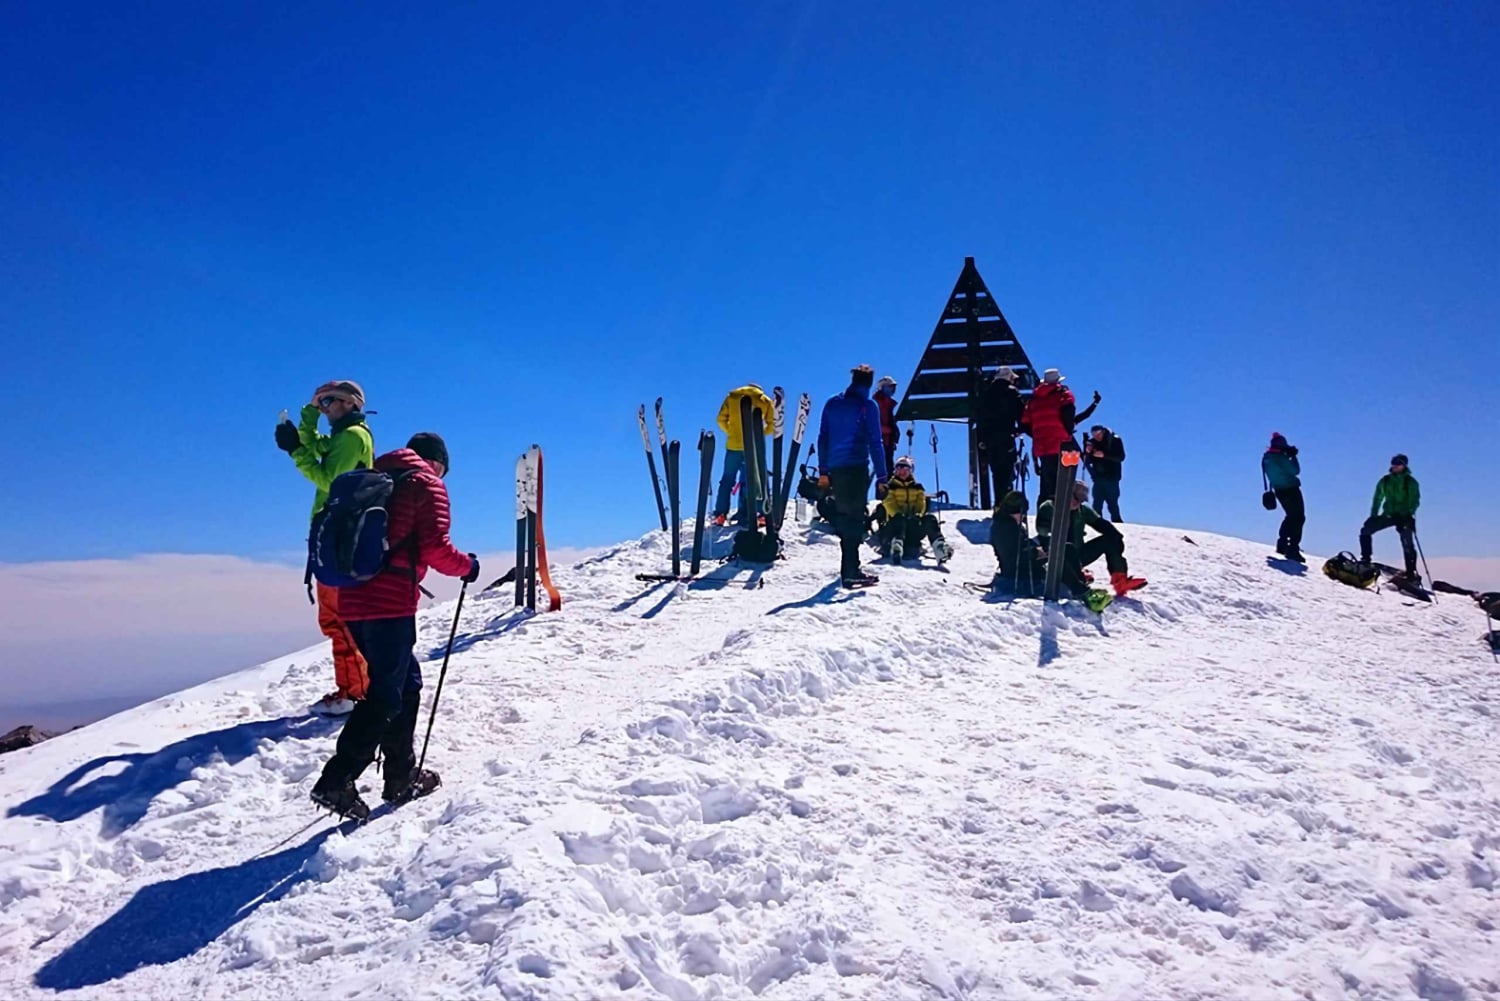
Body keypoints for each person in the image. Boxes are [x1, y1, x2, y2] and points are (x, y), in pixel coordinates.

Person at [309, 432, 480, 820]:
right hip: (390, 605)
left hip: (352, 600)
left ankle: (400, 774)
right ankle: (337, 779)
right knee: (387, 695)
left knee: (406, 684)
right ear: (437, 462)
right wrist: (468, 567)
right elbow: (436, 547)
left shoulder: (374, 478)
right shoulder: (426, 484)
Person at [276, 380, 375, 716]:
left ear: (349, 403)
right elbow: (317, 445)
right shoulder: (344, 436)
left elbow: (329, 479)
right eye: (322, 401)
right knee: (338, 617)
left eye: (329, 401)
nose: (325, 406)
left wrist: (295, 452)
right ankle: (356, 687)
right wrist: (307, 417)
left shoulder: (351, 437)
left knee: (337, 619)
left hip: (338, 539)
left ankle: (352, 692)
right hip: (337, 536)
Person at [817, 364, 889, 587]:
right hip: (856, 466)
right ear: (868, 383)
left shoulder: (832, 403)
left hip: (836, 468)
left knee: (846, 515)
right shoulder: (868, 405)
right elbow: (875, 442)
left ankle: (850, 567)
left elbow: (823, 438)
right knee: (855, 518)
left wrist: (823, 470)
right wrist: (882, 476)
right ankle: (850, 570)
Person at [1037, 480, 1147, 598]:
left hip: (1078, 554)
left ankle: (1120, 581)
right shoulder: (1049, 507)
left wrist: (1117, 540)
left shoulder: (1083, 511)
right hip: (1056, 556)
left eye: (1081, 500)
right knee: (1067, 550)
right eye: (1076, 498)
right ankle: (1076, 576)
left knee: (1111, 539)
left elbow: (1103, 526)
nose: (1078, 503)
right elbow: (1042, 530)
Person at [1022, 369, 1099, 502]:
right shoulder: (1063, 395)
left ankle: (1044, 515)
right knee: (1063, 483)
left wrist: (1038, 435)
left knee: (1046, 483)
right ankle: (1061, 514)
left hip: (1042, 447)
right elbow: (1070, 417)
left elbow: (1024, 424)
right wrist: (1067, 431)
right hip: (1062, 445)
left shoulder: (1033, 400)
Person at [712, 384, 776, 526]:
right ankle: (758, 513)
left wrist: (731, 431)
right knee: (756, 480)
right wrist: (759, 434)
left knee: (727, 480)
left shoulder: (732, 397)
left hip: (733, 446)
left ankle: (720, 514)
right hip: (753, 447)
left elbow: (720, 419)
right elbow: (772, 424)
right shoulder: (764, 400)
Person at [873, 456, 953, 564]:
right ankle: (896, 546)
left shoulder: (917, 488)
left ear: (910, 471)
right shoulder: (890, 487)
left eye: (906, 469)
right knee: (899, 518)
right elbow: (889, 504)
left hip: (911, 526)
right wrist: (900, 515)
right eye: (899, 468)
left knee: (930, 518)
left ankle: (940, 547)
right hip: (893, 527)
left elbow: (921, 503)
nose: (902, 472)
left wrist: (917, 515)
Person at [1359, 454, 1421, 580]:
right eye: (1393, 463)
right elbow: (1378, 498)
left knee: (1407, 543)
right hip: (1389, 514)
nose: (1394, 466)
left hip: (1404, 517)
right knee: (1366, 530)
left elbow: (1414, 500)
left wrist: (1407, 514)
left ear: (1404, 465)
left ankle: (1411, 572)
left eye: (1398, 463)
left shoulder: (1410, 482)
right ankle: (1365, 559)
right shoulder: (1385, 480)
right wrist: (1373, 516)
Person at [974, 367, 1026, 503]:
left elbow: (980, 417)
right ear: (1009, 377)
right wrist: (1021, 429)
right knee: (1007, 472)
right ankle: (1007, 505)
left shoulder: (986, 393)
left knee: (996, 473)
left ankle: (999, 504)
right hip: (1006, 437)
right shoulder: (1012, 392)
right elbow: (1021, 414)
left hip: (989, 440)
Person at [989, 489, 1046, 596]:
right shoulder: (1005, 527)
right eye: (1022, 512)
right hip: (1016, 571)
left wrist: (1037, 549)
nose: (1024, 516)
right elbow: (1013, 555)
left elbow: (1023, 544)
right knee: (1063, 553)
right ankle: (1078, 589)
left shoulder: (1010, 524)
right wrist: (1036, 553)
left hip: (1019, 567)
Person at [1261, 432, 1305, 563]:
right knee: (1299, 517)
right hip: (1291, 489)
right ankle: (1293, 548)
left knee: (1291, 516)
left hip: (1279, 490)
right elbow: (1295, 470)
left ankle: (1282, 543)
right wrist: (1293, 457)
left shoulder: (1267, 457)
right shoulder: (1280, 457)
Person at [1084, 425, 1127, 523]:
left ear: (1103, 432)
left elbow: (1121, 457)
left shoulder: (1114, 440)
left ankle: (1117, 523)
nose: (1096, 437)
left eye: (1098, 434)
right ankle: (1095, 523)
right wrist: (1088, 452)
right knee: (1097, 502)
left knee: (1112, 502)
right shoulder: (1092, 443)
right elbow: (1087, 461)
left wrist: (1104, 455)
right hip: (1098, 477)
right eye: (1094, 435)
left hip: (1112, 477)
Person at [874, 375, 900, 476]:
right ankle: (883, 491)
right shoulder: (878, 403)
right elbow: (875, 424)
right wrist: (889, 431)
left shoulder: (888, 403)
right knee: (885, 472)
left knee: (888, 470)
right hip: (881, 442)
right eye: (890, 386)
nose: (893, 389)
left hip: (888, 441)